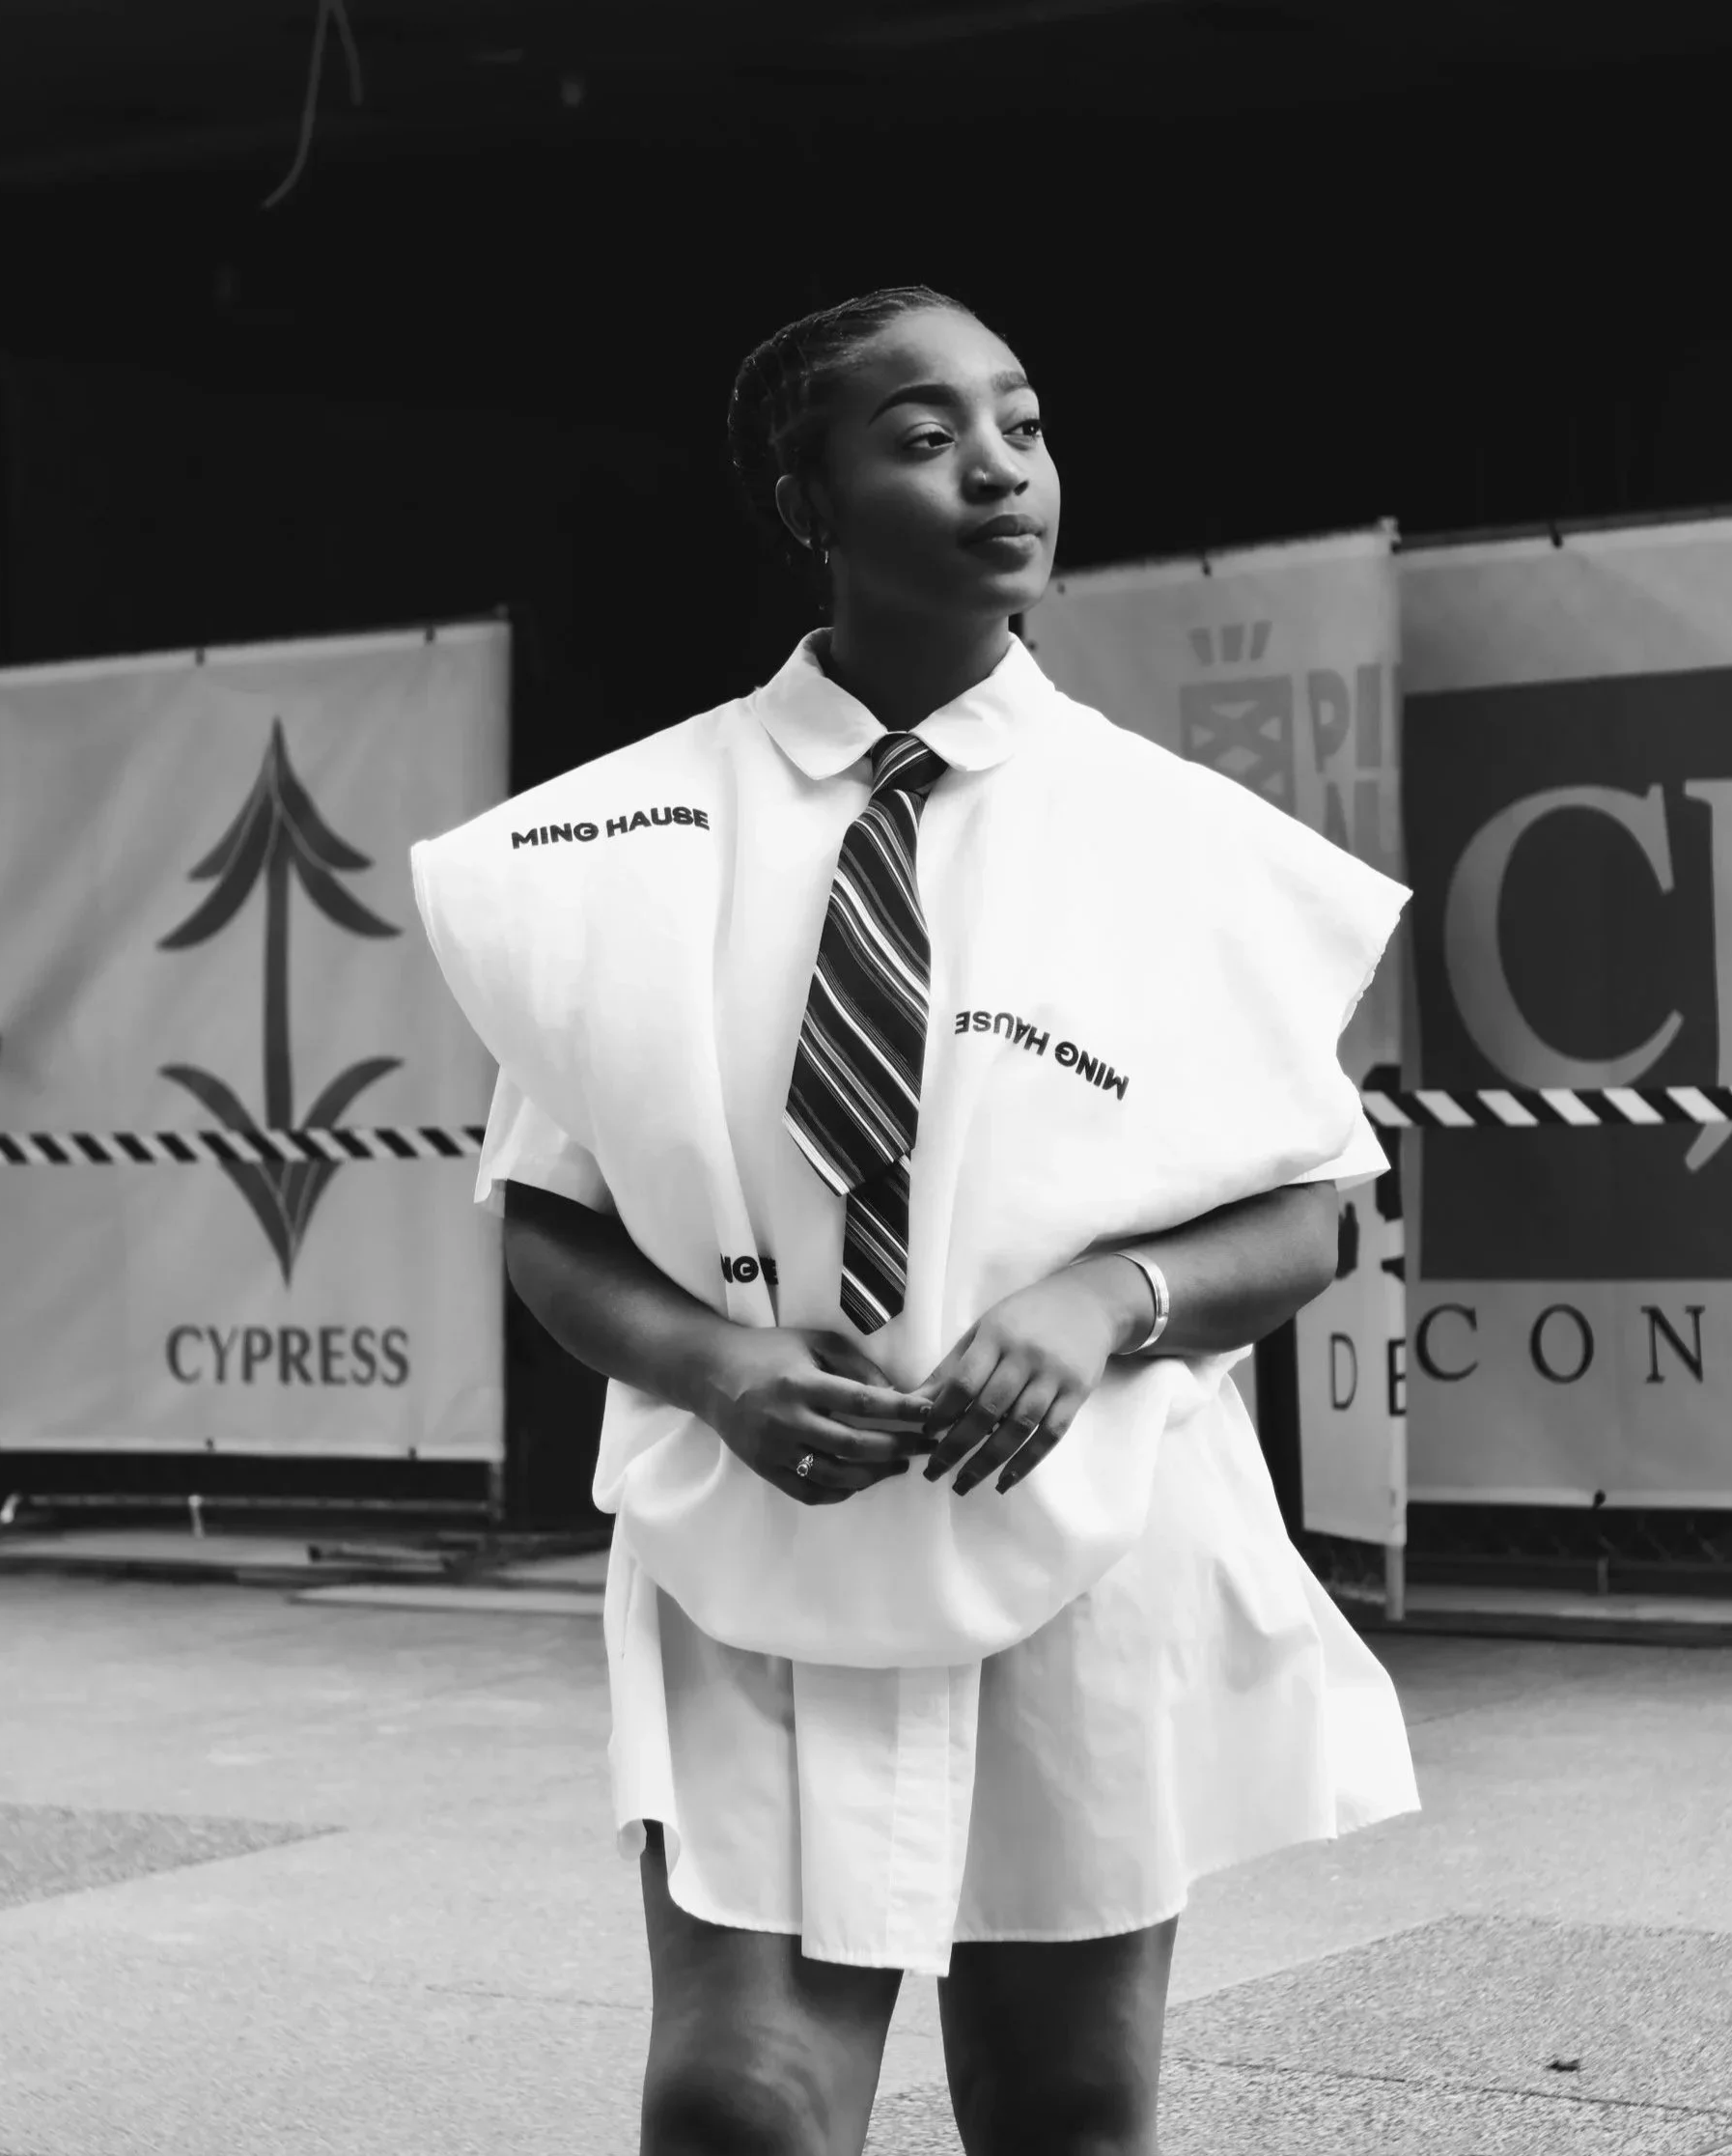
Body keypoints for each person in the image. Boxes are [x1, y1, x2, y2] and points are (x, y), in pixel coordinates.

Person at [411, 285, 1418, 2156]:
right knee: (737, 2102)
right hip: (752, 1532)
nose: (996, 468)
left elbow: (1311, 1223)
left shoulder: (1172, 838)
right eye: (922, 430)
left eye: (1022, 424)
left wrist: (1106, 1302)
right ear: (807, 499)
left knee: (1063, 2105)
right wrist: (714, 1367)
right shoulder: (624, 846)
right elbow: (544, 1220)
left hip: (1082, 1532)